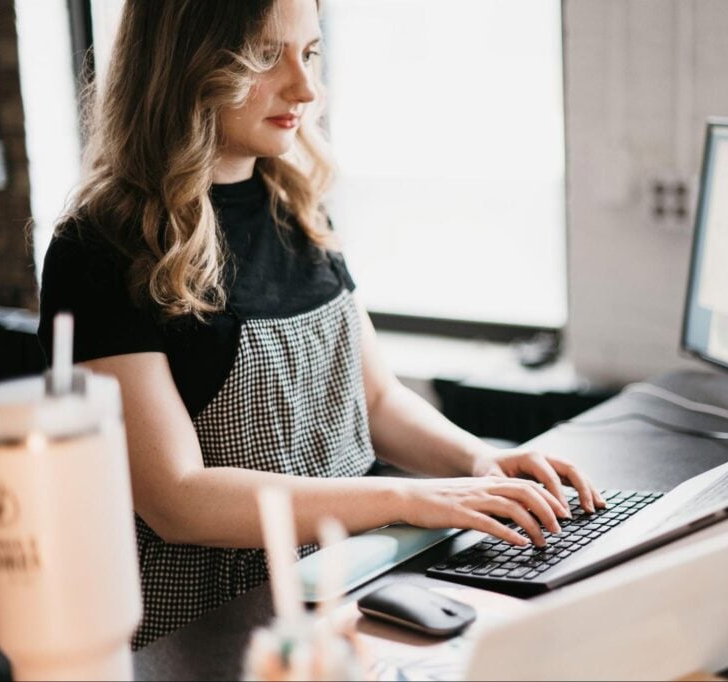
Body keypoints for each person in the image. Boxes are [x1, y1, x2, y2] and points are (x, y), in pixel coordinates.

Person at [37, 0, 604, 648]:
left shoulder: (295, 207)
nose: (306, 89)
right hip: (213, 627)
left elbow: (379, 400)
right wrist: (410, 499)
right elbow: (178, 499)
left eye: (308, 53)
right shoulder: (101, 249)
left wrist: (483, 462)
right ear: (183, 63)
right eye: (264, 56)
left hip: (351, 589)